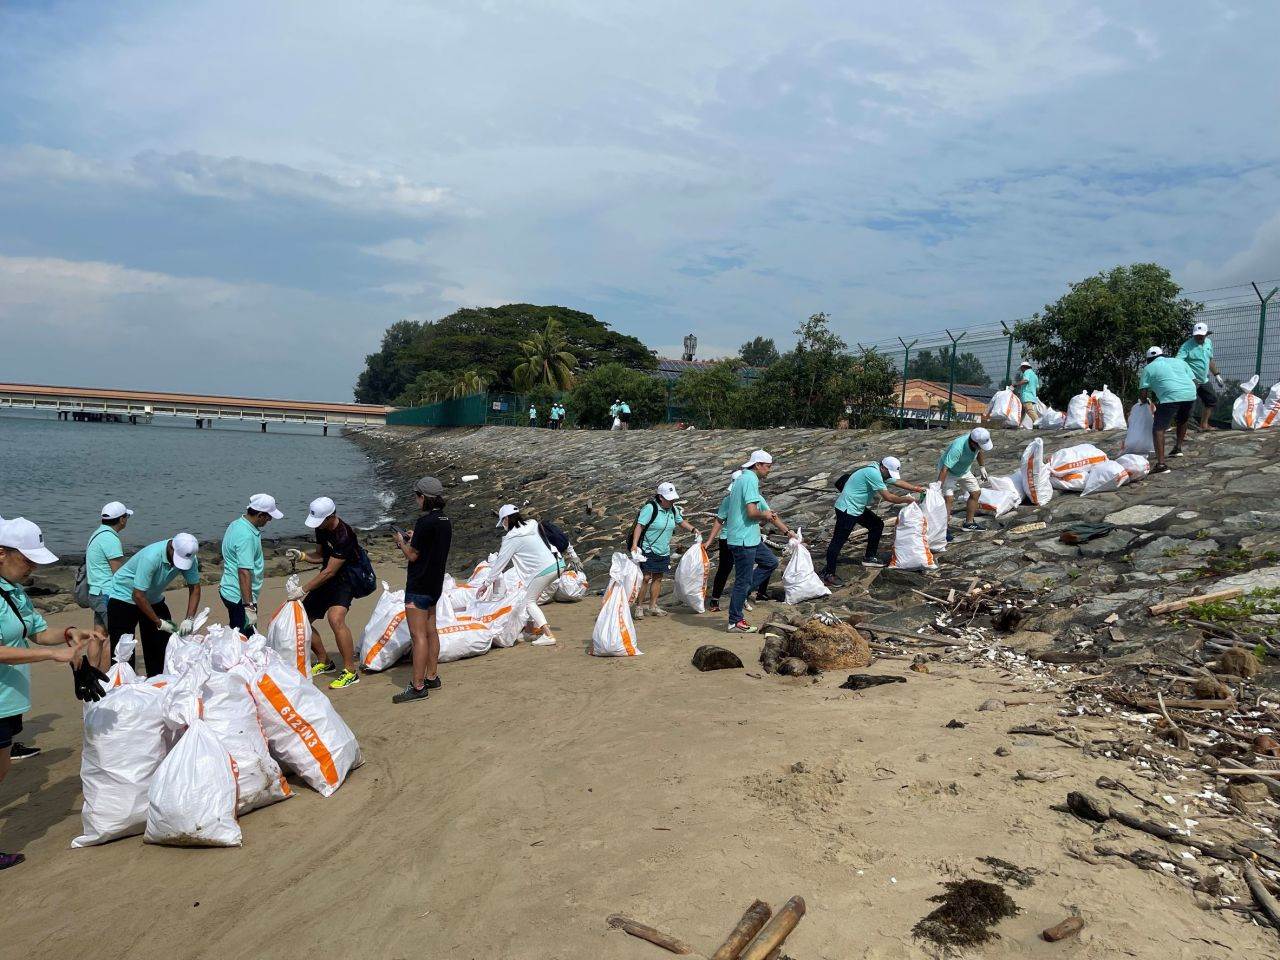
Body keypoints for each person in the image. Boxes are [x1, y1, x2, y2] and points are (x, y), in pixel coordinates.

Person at [0, 518, 98, 869]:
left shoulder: (13, 591)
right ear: (1, 553)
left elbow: (38, 632)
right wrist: (52, 655)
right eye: (28, 561)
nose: (33, 569)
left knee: (3, 766)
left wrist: (71, 633)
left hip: (7, 699)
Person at [287, 496, 363, 689]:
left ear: (331, 517)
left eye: (320, 521)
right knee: (303, 618)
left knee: (335, 618)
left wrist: (302, 589)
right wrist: (303, 556)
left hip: (347, 579)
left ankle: (350, 672)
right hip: (328, 576)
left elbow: (331, 570)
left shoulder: (344, 535)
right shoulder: (321, 528)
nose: (317, 525)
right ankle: (324, 661)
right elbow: (321, 557)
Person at [105, 532, 201, 676]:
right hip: (123, 597)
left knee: (160, 648)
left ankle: (158, 683)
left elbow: (195, 588)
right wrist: (158, 622)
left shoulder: (190, 557)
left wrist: (189, 619)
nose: (177, 564)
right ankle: (120, 688)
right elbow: (137, 595)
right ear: (171, 547)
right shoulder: (151, 557)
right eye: (176, 559)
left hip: (153, 598)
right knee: (123, 651)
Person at [391, 477, 452, 703]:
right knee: (431, 631)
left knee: (418, 637)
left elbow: (413, 555)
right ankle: (432, 676)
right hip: (435, 583)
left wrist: (402, 542)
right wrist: (413, 538)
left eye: (417, 496)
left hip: (418, 585)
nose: (416, 500)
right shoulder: (445, 520)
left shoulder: (425, 522)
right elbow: (430, 546)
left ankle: (417, 687)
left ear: (424, 497)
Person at [722, 450, 794, 633]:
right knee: (742, 580)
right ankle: (735, 620)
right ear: (758, 465)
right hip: (743, 539)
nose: (769, 471)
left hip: (750, 537)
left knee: (770, 562)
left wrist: (786, 531)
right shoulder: (749, 480)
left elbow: (761, 510)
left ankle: (743, 594)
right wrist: (765, 515)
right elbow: (753, 512)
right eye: (768, 467)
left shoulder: (744, 480)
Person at [822, 457, 924, 583]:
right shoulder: (873, 473)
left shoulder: (881, 472)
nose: (890, 476)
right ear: (883, 467)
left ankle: (869, 557)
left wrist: (917, 489)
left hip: (857, 508)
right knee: (838, 541)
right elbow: (888, 497)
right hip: (847, 509)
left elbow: (897, 482)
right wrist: (906, 500)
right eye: (889, 473)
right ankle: (829, 573)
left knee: (877, 525)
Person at [481, 505, 561, 645]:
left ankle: (548, 635)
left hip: (542, 570)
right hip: (557, 564)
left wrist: (486, 583)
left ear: (506, 519)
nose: (503, 525)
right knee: (528, 599)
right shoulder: (532, 524)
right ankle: (529, 632)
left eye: (503, 522)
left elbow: (500, 563)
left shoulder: (511, 538)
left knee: (529, 602)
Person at [629, 482, 699, 620]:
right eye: (669, 498)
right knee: (646, 578)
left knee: (658, 577)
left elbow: (680, 521)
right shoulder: (650, 508)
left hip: (663, 549)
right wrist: (634, 545)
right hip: (647, 549)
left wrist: (693, 529)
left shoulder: (673, 509)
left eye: (673, 498)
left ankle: (653, 606)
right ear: (661, 497)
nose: (672, 500)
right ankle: (639, 607)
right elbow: (639, 526)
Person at [219, 494, 283, 636]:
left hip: (229, 589)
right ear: (260, 515)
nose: (270, 520)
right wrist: (249, 606)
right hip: (239, 596)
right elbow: (243, 571)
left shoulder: (237, 524)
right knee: (245, 640)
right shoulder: (246, 536)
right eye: (268, 516)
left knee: (239, 635)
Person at [84, 501, 132, 666]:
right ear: (122, 520)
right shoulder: (111, 539)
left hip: (95, 592)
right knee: (112, 638)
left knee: (98, 634)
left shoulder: (96, 534)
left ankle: (92, 671)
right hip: (107, 594)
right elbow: (118, 573)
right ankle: (107, 678)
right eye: (127, 517)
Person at [1138, 346, 1198, 473]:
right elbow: (1194, 381)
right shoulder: (1180, 362)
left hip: (1169, 397)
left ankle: (1161, 465)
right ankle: (1178, 448)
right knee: (1182, 419)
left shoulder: (1148, 368)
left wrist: (1143, 403)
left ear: (1149, 360)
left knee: (1158, 429)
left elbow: (1143, 393)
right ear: (1163, 355)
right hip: (1190, 394)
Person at [937, 427, 993, 533]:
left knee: (976, 492)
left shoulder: (976, 442)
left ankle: (969, 523)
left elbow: (979, 451)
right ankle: (943, 529)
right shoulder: (958, 448)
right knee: (948, 499)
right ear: (973, 443)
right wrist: (938, 485)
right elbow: (945, 468)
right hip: (949, 472)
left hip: (964, 471)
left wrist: (982, 467)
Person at [704, 471, 741, 614]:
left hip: (743, 538)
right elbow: (719, 520)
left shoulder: (750, 498)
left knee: (741, 569)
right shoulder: (729, 500)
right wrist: (709, 540)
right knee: (725, 569)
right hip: (728, 538)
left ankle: (741, 598)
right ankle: (715, 599)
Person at [1176, 321, 1224, 431]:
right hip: (1190, 380)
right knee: (1188, 405)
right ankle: (1184, 430)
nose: (1199, 337)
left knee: (1211, 400)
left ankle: (1204, 425)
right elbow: (1178, 361)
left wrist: (1216, 374)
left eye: (1201, 336)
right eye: (1197, 335)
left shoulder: (1208, 343)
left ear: (1206, 334)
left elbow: (1209, 360)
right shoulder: (1186, 346)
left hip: (1203, 379)